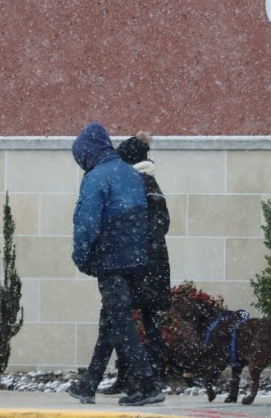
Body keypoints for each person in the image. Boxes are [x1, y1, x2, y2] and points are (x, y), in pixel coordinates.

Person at [67, 122, 164, 406]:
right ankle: (89, 385)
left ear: (88, 152)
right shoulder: (128, 172)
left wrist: (82, 257)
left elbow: (86, 224)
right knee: (112, 317)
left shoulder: (96, 178)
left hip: (111, 259)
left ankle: (147, 384)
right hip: (134, 259)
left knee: (119, 320)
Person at [99, 131, 172, 395]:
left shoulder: (139, 184)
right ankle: (143, 377)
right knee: (144, 322)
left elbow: (153, 225)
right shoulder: (150, 182)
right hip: (151, 265)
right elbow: (163, 224)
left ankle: (140, 379)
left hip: (139, 265)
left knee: (124, 320)